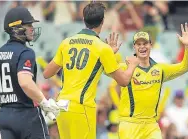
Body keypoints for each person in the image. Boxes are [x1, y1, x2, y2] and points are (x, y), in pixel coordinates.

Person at [43, 2, 140, 139]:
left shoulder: (67, 42)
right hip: (82, 108)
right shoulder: (102, 48)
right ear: (102, 22)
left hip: (62, 107)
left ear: (83, 19)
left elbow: (47, 73)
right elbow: (124, 81)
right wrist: (133, 64)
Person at [0, 6, 60, 139]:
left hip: (4, 115)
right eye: (28, 25)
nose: (32, 28)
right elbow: (25, 82)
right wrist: (44, 102)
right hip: (26, 115)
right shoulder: (25, 52)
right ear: (17, 28)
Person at [117, 23, 188, 139]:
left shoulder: (160, 69)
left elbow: (185, 66)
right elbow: (105, 69)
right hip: (129, 124)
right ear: (134, 47)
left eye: (145, 43)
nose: (142, 47)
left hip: (151, 125)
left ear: (151, 45)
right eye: (138, 44)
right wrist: (110, 53)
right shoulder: (125, 67)